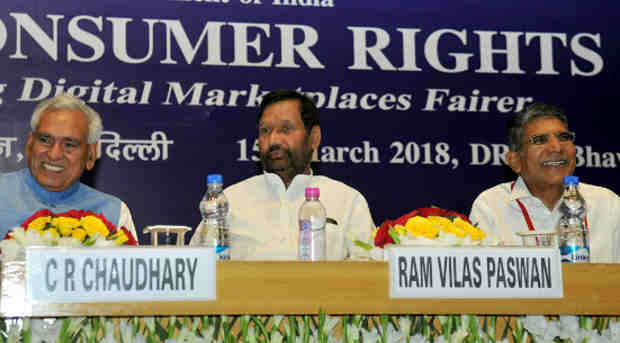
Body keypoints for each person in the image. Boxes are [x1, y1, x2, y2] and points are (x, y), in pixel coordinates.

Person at [224, 89, 375, 260]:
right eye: (265, 130)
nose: (273, 140)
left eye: (286, 129)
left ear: (314, 138)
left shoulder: (348, 201)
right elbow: (200, 267)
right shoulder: (229, 201)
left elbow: (370, 269)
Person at [469, 103, 620, 262]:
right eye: (540, 140)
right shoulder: (491, 206)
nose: (556, 147)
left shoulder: (607, 204)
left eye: (563, 137)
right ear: (514, 161)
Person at [0, 93, 138, 241]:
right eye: (45, 140)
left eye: (69, 145)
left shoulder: (114, 213)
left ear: (90, 155)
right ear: (29, 145)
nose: (54, 154)